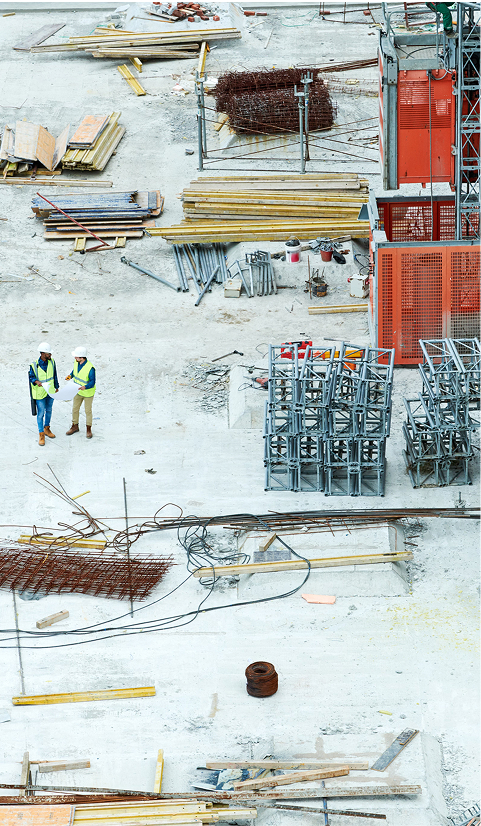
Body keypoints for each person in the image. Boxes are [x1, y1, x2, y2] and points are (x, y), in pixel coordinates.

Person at [29, 342, 59, 445]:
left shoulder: (52, 362)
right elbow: (31, 377)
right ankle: (41, 434)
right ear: (42, 353)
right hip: (40, 393)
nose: (50, 355)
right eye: (48, 353)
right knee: (41, 413)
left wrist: (57, 386)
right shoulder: (34, 365)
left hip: (50, 391)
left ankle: (47, 428)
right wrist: (37, 382)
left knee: (49, 410)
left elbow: (55, 374)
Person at [65, 346, 96, 439]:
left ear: (82, 357)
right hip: (78, 391)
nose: (75, 358)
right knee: (75, 409)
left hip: (87, 393)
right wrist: (70, 375)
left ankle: (88, 429)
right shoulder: (76, 362)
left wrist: (85, 387)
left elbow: (92, 381)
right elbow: (75, 371)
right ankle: (75, 426)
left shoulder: (90, 368)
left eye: (76, 356)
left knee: (88, 411)